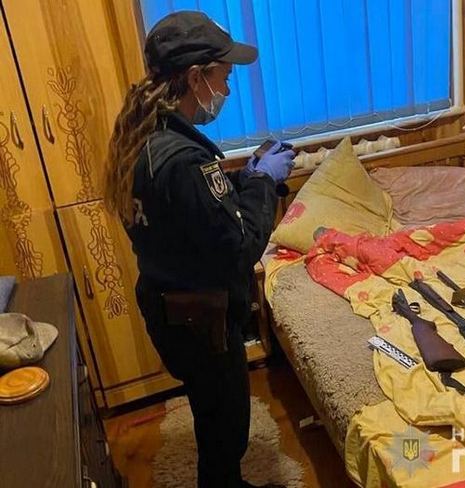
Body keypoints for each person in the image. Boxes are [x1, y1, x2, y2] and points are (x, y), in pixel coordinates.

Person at [104, 11, 294, 488]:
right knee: (227, 424)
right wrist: (263, 183)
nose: (227, 89)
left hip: (168, 307)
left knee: (210, 410)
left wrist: (246, 177)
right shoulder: (186, 162)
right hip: (200, 320)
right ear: (195, 78)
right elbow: (239, 249)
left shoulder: (143, 140)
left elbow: (192, 217)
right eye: (224, 77)